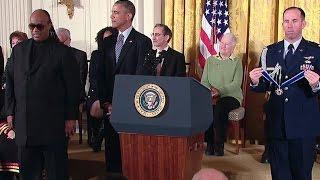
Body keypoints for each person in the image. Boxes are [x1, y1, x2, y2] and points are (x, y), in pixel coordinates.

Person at [5, 9, 80, 179]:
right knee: (28, 174)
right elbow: (9, 82)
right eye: (32, 26)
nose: (35, 29)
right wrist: (10, 112)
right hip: (25, 125)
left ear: (49, 25)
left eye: (39, 26)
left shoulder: (63, 52)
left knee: (56, 173)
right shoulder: (19, 51)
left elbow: (72, 87)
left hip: (53, 125)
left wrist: (70, 117)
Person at [249, 7, 320, 180]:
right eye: (286, 21)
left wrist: (316, 84)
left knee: (302, 174)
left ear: (303, 24)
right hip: (277, 123)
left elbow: (318, 86)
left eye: (294, 21)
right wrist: (255, 81)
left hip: (303, 124)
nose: (290, 25)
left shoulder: (315, 51)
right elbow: (265, 85)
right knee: (279, 174)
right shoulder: (270, 51)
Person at [97, 0, 152, 173]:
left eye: (116, 12)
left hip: (130, 104)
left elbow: (140, 76)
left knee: (129, 151)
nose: (112, 16)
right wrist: (106, 101)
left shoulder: (142, 41)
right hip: (109, 104)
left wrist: (122, 104)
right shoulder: (107, 42)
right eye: (112, 12)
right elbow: (102, 74)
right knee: (111, 149)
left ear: (128, 16)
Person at [201, 33, 243, 156]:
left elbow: (236, 83)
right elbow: (204, 81)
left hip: (231, 96)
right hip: (212, 95)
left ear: (233, 46)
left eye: (227, 44)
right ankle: (209, 143)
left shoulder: (236, 62)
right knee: (207, 107)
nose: (223, 46)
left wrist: (219, 90)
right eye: (222, 43)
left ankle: (219, 144)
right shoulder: (210, 60)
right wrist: (210, 91)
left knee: (220, 107)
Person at [87, 26, 117, 151]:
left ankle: (101, 134)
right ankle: (98, 134)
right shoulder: (96, 54)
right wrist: (101, 95)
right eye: (105, 39)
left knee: (114, 106)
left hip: (116, 91)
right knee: (98, 106)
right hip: (98, 90)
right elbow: (93, 76)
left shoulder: (120, 53)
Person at [56, 27, 88, 104]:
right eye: (57, 42)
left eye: (62, 42)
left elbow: (81, 80)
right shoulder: (50, 55)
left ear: (69, 40)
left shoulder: (80, 55)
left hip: (74, 97)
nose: (60, 45)